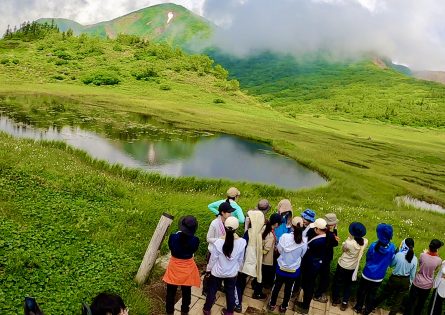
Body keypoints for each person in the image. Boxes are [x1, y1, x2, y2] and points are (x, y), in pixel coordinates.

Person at [203, 217, 247, 315]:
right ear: (237, 228)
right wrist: (239, 270)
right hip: (232, 273)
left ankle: (207, 309)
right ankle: (229, 312)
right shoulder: (242, 242)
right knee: (230, 292)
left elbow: (213, 259)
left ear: (225, 227)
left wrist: (208, 269)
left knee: (212, 290)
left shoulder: (218, 242)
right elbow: (241, 259)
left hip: (217, 272)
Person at [353, 223, 396, 315]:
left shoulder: (373, 246)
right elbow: (391, 259)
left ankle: (358, 307)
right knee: (372, 294)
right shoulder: (392, 247)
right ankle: (367, 309)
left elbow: (368, 257)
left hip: (367, 273)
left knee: (362, 291)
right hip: (379, 276)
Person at [268, 216, 307, 313]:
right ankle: (284, 307)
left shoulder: (284, 237)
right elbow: (302, 255)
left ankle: (272, 304)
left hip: (281, 267)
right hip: (293, 270)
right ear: (302, 227)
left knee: (276, 286)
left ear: (292, 226)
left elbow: (280, 250)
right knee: (289, 289)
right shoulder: (304, 242)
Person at [163, 216, 201, 315]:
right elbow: (194, 250)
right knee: (186, 291)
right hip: (188, 267)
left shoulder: (173, 237)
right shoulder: (195, 240)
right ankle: (184, 311)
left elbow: (171, 247)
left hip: (174, 267)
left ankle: (169, 312)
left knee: (171, 292)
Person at [331, 222, 368, 311]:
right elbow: (362, 240)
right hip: (352, 267)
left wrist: (347, 240)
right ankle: (344, 302)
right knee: (348, 285)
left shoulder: (349, 243)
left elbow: (343, 250)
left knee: (338, 283)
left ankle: (335, 300)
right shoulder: (365, 242)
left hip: (343, 265)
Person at [375, 238, 418, 315]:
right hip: (405, 281)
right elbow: (413, 274)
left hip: (394, 279)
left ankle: (369, 308)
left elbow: (391, 265)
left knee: (384, 295)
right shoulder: (415, 259)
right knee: (398, 302)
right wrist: (409, 284)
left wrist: (395, 254)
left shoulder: (399, 254)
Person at [294, 218, 328, 315]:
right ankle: (304, 303)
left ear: (318, 229)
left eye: (315, 228)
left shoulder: (318, 241)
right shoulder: (325, 236)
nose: (313, 230)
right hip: (314, 264)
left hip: (311, 266)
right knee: (308, 285)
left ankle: (305, 307)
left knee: (308, 286)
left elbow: (307, 250)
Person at [203, 202, 236, 295]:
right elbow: (208, 238)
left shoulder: (228, 222)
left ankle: (218, 286)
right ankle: (205, 289)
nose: (231, 214)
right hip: (213, 251)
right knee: (209, 271)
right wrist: (221, 239)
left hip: (223, 251)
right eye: (229, 212)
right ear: (222, 212)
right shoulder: (214, 223)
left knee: (221, 270)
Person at [235, 207, 265, 309]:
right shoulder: (259, 233)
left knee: (239, 283)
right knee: (242, 281)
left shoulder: (249, 233)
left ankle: (237, 304)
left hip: (244, 262)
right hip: (251, 264)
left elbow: (242, 245)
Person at [405, 239, 444, 315]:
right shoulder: (439, 260)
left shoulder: (422, 255)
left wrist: (426, 253)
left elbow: (420, 264)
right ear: (437, 249)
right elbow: (435, 269)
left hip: (417, 282)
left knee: (410, 302)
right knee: (420, 304)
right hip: (427, 286)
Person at [252, 213, 282, 297]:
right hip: (266, 260)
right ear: (276, 224)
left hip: (260, 258)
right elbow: (266, 249)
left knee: (259, 274)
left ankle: (254, 285)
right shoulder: (271, 236)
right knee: (263, 277)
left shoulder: (265, 227)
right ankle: (257, 293)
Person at [314, 213, 339, 303]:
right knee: (324, 278)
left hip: (317, 257)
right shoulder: (329, 234)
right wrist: (335, 231)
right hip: (325, 258)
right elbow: (335, 243)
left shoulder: (320, 230)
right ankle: (318, 294)